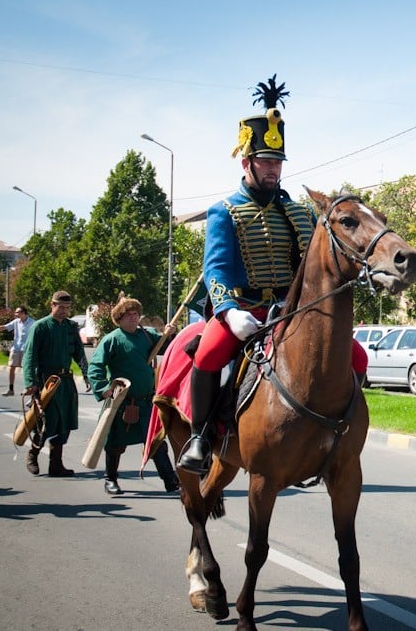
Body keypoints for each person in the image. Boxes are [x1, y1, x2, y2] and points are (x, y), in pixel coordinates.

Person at [176, 76, 320, 473]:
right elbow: (215, 269)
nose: (274, 169)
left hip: (288, 312)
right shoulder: (224, 210)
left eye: (277, 163)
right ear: (247, 162)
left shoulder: (298, 211)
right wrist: (227, 310)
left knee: (353, 356)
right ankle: (200, 437)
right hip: (243, 309)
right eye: (266, 162)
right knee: (207, 355)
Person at [88, 296, 180, 494]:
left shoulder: (147, 335)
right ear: (119, 318)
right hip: (120, 402)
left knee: (156, 443)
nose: (133, 317)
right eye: (128, 314)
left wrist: (170, 334)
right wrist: (104, 388)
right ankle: (110, 479)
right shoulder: (112, 339)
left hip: (146, 402)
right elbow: (95, 366)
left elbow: (166, 346)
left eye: (136, 314)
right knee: (115, 444)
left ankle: (170, 481)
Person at [21, 291, 90, 477]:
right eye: (61, 307)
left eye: (67, 308)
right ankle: (33, 455)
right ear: (52, 305)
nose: (64, 311)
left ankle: (56, 464)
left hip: (66, 382)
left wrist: (86, 375)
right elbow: (30, 357)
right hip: (46, 382)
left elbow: (79, 353)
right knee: (46, 422)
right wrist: (31, 382)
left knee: (65, 423)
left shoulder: (71, 326)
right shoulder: (40, 327)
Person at [0, 306, 35, 396]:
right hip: (16, 348)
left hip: (26, 349)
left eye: (17, 312)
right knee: (11, 367)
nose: (16, 314)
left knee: (26, 369)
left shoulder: (32, 322)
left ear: (23, 313)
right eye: (15, 312)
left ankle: (28, 388)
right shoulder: (16, 322)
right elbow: (5, 327)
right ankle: (11, 389)